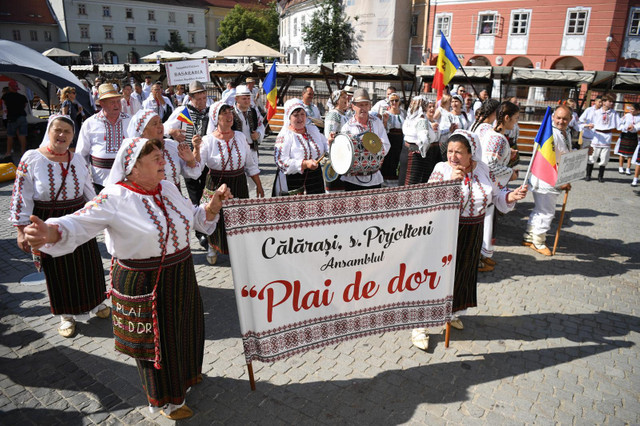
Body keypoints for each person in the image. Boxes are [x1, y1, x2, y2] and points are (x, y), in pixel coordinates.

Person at [24, 137, 231, 420]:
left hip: (181, 274)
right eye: (156, 158)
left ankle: (186, 378)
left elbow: (194, 218)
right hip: (144, 281)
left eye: (161, 156)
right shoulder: (115, 196)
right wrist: (49, 232)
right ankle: (166, 401)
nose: (163, 161)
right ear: (133, 168)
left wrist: (212, 206)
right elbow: (79, 221)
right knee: (157, 344)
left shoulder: (167, 188)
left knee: (186, 329)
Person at [411, 131, 528, 350]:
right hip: (446, 231)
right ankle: (420, 325)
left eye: (459, 152)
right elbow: (426, 200)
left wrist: (512, 196)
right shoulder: (441, 169)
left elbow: (497, 194)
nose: (452, 157)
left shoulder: (483, 169)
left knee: (462, 273)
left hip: (473, 231)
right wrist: (449, 184)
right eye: (450, 151)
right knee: (435, 276)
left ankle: (451, 311)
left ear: (471, 153)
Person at [9, 115, 109, 338]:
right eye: (58, 130)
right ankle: (66, 315)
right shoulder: (31, 158)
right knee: (60, 271)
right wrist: (21, 230)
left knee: (89, 263)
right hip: (47, 220)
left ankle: (97, 303)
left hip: (77, 218)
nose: (62, 135)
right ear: (49, 131)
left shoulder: (78, 159)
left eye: (68, 132)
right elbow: (21, 196)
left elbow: (88, 191)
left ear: (73, 136)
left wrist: (100, 216)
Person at [200, 101, 263, 265]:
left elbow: (250, 164)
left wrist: (259, 185)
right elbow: (196, 167)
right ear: (216, 117)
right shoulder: (207, 141)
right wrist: (193, 151)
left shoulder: (241, 137)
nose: (229, 116)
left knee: (239, 216)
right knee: (216, 216)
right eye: (224, 113)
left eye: (230, 112)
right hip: (217, 182)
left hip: (238, 182)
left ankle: (239, 249)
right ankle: (212, 247)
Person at [164, 81, 211, 249]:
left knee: (208, 192)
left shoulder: (210, 111)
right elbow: (165, 128)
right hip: (189, 160)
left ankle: (210, 226)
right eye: (198, 99)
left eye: (204, 98)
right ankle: (201, 232)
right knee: (195, 195)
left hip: (207, 159)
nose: (202, 102)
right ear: (190, 98)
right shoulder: (182, 112)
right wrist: (173, 132)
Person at [523, 105, 576, 256]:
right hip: (546, 178)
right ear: (553, 117)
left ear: (570, 119)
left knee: (540, 210)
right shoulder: (550, 132)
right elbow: (549, 161)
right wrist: (561, 181)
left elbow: (564, 155)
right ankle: (538, 242)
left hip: (553, 177)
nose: (561, 121)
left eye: (565, 118)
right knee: (546, 212)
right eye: (558, 117)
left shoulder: (566, 132)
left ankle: (529, 236)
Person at [107, 109, 201, 189]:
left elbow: (193, 174)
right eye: (154, 124)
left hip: (173, 198)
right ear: (143, 131)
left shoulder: (171, 145)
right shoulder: (134, 151)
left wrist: (190, 160)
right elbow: (118, 178)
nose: (160, 126)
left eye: (160, 122)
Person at [478, 101, 520, 271]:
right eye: (515, 118)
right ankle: (480, 259)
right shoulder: (497, 138)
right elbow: (490, 164)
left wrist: (507, 156)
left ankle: (484, 256)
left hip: (487, 186)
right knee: (486, 224)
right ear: (507, 117)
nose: (516, 122)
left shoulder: (488, 132)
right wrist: (511, 173)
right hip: (488, 187)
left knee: (489, 224)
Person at [211, 85, 265, 197]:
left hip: (252, 149)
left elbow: (261, 125)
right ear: (237, 99)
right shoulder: (230, 113)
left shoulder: (254, 111)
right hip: (234, 151)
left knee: (252, 175)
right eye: (244, 98)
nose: (247, 101)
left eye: (248, 98)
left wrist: (258, 134)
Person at [76, 83, 131, 194]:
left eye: (118, 101)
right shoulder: (90, 123)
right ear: (102, 104)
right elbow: (81, 154)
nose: (117, 105)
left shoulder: (130, 120)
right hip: (100, 182)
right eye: (112, 102)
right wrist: (84, 180)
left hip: (126, 180)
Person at [274, 98, 328, 196]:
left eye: (302, 114)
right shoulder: (285, 135)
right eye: (295, 115)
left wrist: (332, 143)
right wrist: (304, 164)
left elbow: (325, 145)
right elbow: (280, 161)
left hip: (315, 179)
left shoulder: (313, 130)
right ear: (289, 117)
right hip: (294, 181)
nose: (300, 118)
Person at [339, 88, 390, 191]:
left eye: (366, 104)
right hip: (353, 180)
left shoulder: (377, 122)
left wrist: (374, 156)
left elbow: (386, 144)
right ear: (353, 106)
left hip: (374, 177)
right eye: (360, 105)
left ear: (370, 106)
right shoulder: (347, 127)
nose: (363, 108)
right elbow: (344, 152)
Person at [398, 96, 441, 186]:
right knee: (413, 185)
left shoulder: (409, 119)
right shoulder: (421, 121)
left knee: (404, 182)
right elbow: (424, 139)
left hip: (406, 152)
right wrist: (424, 153)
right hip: (416, 158)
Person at [586, 94, 620, 183]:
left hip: (607, 136)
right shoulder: (596, 112)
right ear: (604, 102)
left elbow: (619, 125)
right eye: (610, 101)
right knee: (592, 156)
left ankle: (600, 176)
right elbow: (590, 122)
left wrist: (626, 127)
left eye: (612, 102)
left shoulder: (614, 113)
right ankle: (588, 175)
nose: (611, 103)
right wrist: (589, 126)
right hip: (597, 135)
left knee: (604, 157)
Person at [323, 89, 350, 193]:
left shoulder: (344, 115)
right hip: (336, 153)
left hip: (344, 153)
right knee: (335, 185)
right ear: (337, 100)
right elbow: (329, 135)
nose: (346, 99)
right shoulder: (334, 114)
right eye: (343, 97)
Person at [379, 92, 406, 186]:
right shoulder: (386, 114)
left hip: (400, 141)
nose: (394, 102)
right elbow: (383, 130)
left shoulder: (403, 113)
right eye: (392, 101)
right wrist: (385, 122)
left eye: (396, 100)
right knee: (389, 162)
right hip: (390, 140)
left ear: (399, 102)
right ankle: (387, 183)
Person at [2, 80, 29, 158]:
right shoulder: (22, 97)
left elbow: (4, 106)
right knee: (22, 136)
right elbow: (24, 106)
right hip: (22, 117)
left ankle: (8, 153)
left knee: (10, 136)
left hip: (12, 118)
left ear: (10, 87)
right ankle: (23, 153)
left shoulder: (6, 96)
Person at [614, 103, 640, 176]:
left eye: (633, 109)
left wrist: (634, 127)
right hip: (625, 134)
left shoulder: (639, 117)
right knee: (622, 153)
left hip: (633, 135)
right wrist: (625, 127)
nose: (631, 111)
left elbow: (639, 125)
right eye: (630, 109)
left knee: (630, 153)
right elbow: (620, 123)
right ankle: (621, 167)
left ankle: (628, 168)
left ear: (638, 110)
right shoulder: (627, 116)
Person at [579, 96, 602, 175]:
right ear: (595, 101)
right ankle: (582, 169)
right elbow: (581, 120)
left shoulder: (603, 112)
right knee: (585, 151)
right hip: (588, 134)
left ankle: (589, 173)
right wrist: (587, 125)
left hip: (597, 136)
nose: (601, 104)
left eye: (602, 102)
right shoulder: (589, 110)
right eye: (599, 102)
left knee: (593, 154)